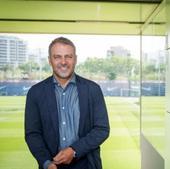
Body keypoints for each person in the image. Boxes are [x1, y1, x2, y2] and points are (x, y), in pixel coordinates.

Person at [25, 37, 110, 169]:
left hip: (87, 164)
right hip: (51, 165)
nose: (63, 62)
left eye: (68, 57)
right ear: (50, 60)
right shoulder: (35, 93)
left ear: (75, 59)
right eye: (57, 57)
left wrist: (73, 150)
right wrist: (47, 163)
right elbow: (33, 134)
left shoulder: (92, 89)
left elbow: (102, 129)